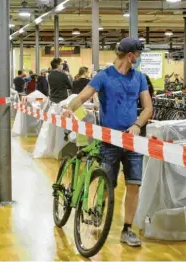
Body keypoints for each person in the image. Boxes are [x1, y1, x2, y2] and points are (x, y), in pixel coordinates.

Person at [63, 37, 153, 247]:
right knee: (106, 183)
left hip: (132, 141)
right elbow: (83, 96)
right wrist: (70, 109)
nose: (138, 58)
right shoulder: (104, 76)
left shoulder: (139, 77)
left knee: (134, 185)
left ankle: (127, 229)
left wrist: (138, 125)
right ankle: (98, 212)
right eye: (137, 54)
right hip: (109, 140)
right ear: (129, 55)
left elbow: (148, 108)